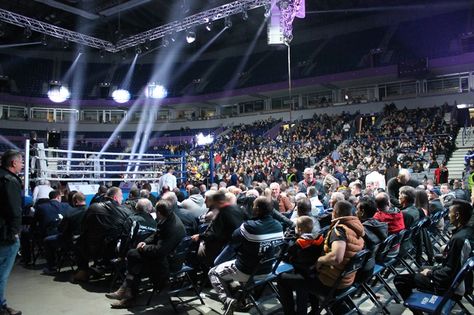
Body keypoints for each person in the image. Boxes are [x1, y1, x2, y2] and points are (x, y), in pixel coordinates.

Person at [208, 196, 283, 315]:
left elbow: (233, 240)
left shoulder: (249, 227)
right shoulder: (279, 226)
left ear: (257, 209)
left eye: (253, 205)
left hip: (247, 271)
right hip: (268, 270)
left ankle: (227, 300)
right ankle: (243, 297)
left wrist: (218, 261)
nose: (251, 208)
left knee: (213, 272)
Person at [394, 200, 474, 311]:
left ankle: (419, 311)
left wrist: (431, 273)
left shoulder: (458, 239)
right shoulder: (467, 232)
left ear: (457, 215)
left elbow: (449, 272)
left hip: (448, 286)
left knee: (400, 280)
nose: (448, 215)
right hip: (457, 279)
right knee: (422, 268)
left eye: (450, 212)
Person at [106, 200, 186, 308]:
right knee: (134, 259)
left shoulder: (171, 227)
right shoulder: (168, 218)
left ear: (158, 212)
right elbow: (156, 234)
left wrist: (144, 248)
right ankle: (127, 292)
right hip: (166, 255)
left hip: (168, 262)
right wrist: (146, 242)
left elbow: (159, 251)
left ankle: (127, 293)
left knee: (133, 258)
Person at [73, 187, 133, 282]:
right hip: (114, 250)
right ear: (116, 198)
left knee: (78, 240)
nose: (122, 199)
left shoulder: (93, 207)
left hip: (91, 248)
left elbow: (83, 227)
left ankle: (83, 271)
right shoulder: (126, 211)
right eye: (121, 196)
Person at [277, 216, 324, 315]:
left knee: (282, 279)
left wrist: (289, 239)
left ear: (299, 229)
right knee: (309, 289)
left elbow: (286, 255)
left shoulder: (299, 243)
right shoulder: (320, 239)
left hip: (303, 273)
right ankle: (315, 310)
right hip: (316, 273)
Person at [191, 191, 245, 267]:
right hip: (239, 244)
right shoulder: (237, 208)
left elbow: (213, 234)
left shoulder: (222, 213)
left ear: (217, 202)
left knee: (201, 250)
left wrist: (200, 236)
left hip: (227, 245)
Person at [0, 150, 23, 315]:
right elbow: (15, 210)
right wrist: (15, 232)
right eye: (21, 162)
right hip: (5, 233)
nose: (22, 165)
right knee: (2, 273)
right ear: (13, 163)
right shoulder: (10, 181)